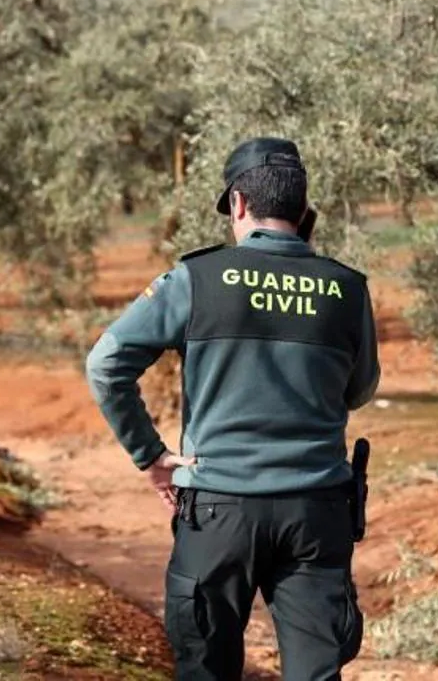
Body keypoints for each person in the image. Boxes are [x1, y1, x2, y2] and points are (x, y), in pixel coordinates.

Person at [85, 136, 380, 681]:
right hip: (316, 511)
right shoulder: (347, 289)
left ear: (239, 203)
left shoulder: (197, 279)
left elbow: (106, 365)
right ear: (300, 207)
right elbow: (358, 392)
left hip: (218, 512)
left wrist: (150, 455)